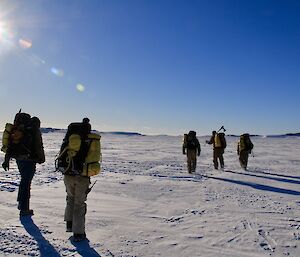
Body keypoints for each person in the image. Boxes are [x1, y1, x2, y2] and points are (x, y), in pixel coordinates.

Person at [2, 113, 45, 216]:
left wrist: (6, 160)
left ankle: (21, 204)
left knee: (24, 181)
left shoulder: (20, 129)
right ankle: (24, 208)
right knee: (26, 183)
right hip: (29, 160)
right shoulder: (34, 130)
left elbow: (11, 145)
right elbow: (38, 146)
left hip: (19, 159)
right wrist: (41, 158)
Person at [58, 118, 93, 242]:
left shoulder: (69, 139)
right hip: (82, 176)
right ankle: (78, 233)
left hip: (68, 174)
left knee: (70, 198)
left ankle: (69, 224)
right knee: (79, 203)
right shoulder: (90, 140)